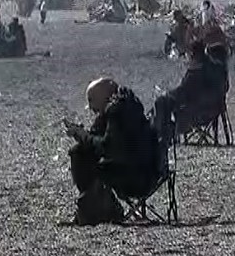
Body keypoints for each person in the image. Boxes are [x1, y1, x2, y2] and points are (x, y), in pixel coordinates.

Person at [64, 79, 162, 225]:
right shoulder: (127, 106)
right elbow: (102, 139)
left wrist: (81, 135)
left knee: (80, 155)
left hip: (137, 178)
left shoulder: (117, 112)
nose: (90, 108)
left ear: (105, 97)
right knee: (80, 151)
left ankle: (97, 210)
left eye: (92, 101)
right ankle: (97, 207)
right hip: (147, 170)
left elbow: (106, 147)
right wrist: (86, 133)